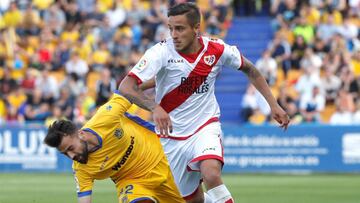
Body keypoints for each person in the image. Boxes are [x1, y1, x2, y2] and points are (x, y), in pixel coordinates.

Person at [119, 3, 290, 203]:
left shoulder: (217, 49)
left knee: (211, 174)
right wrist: (155, 107)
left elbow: (251, 70)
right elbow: (126, 85)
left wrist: (274, 105)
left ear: (196, 28)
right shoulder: (161, 52)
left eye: (180, 28)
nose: (174, 34)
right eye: (171, 28)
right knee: (193, 200)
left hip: (205, 127)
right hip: (171, 138)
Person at [43, 92, 184, 203]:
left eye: (71, 148)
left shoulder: (105, 117)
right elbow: (84, 199)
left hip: (163, 159)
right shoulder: (81, 168)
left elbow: (129, 88)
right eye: (65, 153)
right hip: (132, 182)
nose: (72, 156)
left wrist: (155, 108)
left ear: (81, 134)